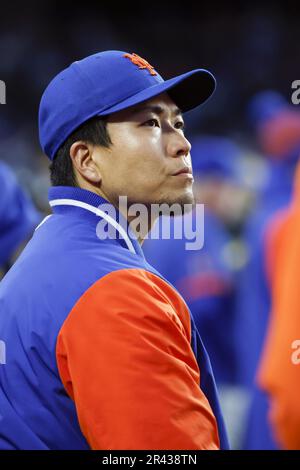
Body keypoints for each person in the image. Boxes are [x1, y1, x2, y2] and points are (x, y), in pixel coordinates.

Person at [0, 50, 229, 450]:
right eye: (152, 124)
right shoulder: (113, 290)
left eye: (178, 123)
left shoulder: (53, 253)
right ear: (87, 161)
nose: (183, 144)